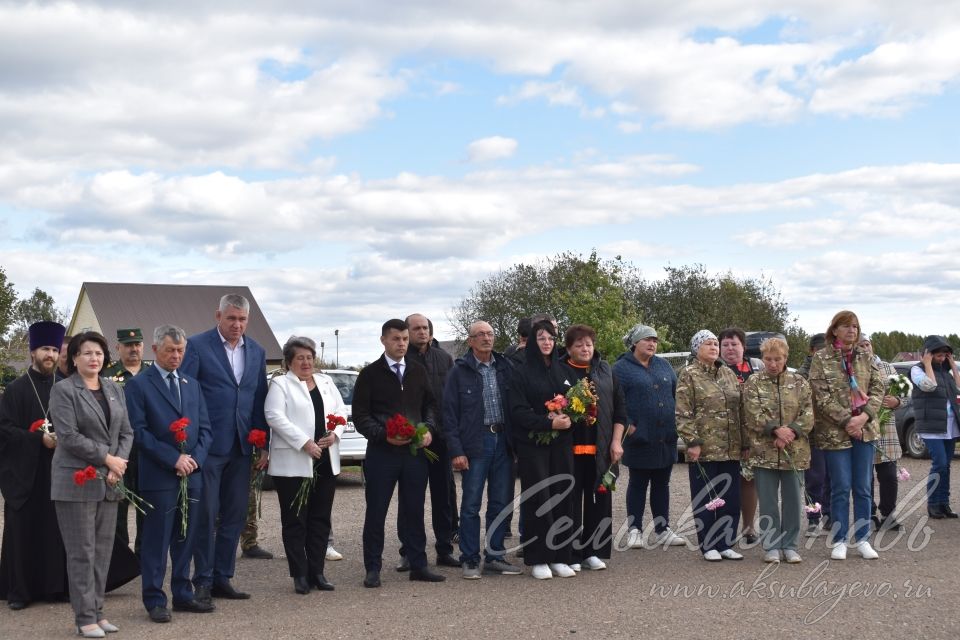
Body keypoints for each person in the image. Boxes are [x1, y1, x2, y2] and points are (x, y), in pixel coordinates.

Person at [181, 293, 269, 602]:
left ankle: (223, 577)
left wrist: (262, 442)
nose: (237, 324)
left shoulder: (257, 351)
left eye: (242, 319)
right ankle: (202, 578)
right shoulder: (196, 345)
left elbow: (259, 399)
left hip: (242, 446)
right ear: (218, 316)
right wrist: (190, 441)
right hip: (208, 446)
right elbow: (186, 395)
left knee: (234, 516)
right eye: (231, 318)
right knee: (206, 515)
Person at [124, 325, 214, 623]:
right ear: (154, 351)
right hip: (159, 476)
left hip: (192, 475)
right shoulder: (139, 385)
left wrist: (194, 460)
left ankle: (183, 594)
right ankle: (154, 599)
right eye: (169, 351)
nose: (176, 356)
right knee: (156, 541)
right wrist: (173, 459)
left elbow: (205, 429)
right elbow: (139, 431)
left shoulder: (191, 383)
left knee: (186, 538)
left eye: (180, 351)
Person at [48, 331, 134, 638]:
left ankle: (98, 612)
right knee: (81, 552)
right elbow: (68, 436)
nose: (93, 358)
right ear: (73, 358)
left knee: (102, 551)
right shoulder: (64, 391)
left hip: (110, 481)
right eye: (86, 353)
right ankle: (84, 617)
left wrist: (118, 463)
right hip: (76, 481)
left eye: (98, 353)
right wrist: (108, 460)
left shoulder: (114, 388)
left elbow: (126, 432)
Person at [353, 319, 446, 588]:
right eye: (396, 339)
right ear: (383, 340)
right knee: (377, 511)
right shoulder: (369, 374)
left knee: (414, 510)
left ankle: (418, 565)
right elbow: (360, 416)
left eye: (405, 339)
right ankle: (373, 568)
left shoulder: (417, 371)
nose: (402, 343)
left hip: (414, 453)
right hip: (382, 454)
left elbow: (430, 405)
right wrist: (383, 434)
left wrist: (428, 428)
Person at [265, 337, 347, 594]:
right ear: (289, 361)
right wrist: (304, 442)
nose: (306, 362)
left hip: (324, 459)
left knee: (320, 519)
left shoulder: (325, 382)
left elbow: (341, 412)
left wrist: (336, 434)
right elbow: (274, 416)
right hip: (293, 462)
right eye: (300, 358)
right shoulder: (280, 384)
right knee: (295, 521)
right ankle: (299, 574)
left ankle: (317, 571)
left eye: (309, 358)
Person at [0, 321, 70, 610]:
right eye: (44, 349)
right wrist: (37, 440)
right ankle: (21, 591)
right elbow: (3, 429)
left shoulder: (65, 388)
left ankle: (55, 588)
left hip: (58, 472)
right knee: (24, 529)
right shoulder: (15, 390)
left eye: (54, 349)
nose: (50, 355)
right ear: (32, 353)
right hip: (26, 475)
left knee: (56, 530)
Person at [443, 321, 521, 579]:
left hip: (503, 442)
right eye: (480, 335)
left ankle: (495, 555)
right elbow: (449, 415)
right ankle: (470, 558)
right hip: (476, 444)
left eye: (490, 334)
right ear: (471, 341)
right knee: (470, 505)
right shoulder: (459, 371)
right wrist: (456, 450)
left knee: (500, 503)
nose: (487, 338)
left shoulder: (505, 367)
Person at [809, 310, 884, 560]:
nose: (852, 330)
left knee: (863, 487)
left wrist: (863, 417)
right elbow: (819, 394)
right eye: (846, 326)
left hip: (865, 430)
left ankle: (862, 538)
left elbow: (878, 387)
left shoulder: (866, 355)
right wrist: (846, 420)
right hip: (835, 433)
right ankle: (840, 539)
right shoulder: (821, 358)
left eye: (855, 326)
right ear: (834, 330)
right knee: (840, 486)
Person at [509, 319, 577, 580]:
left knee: (562, 494)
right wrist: (548, 422)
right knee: (540, 498)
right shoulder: (521, 372)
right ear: (532, 342)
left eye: (550, 338)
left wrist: (570, 418)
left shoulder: (563, 370)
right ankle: (538, 558)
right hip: (533, 445)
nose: (547, 342)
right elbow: (517, 411)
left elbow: (574, 403)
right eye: (541, 338)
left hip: (561, 444)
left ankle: (561, 555)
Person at [561, 324, 628, 571]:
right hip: (569, 448)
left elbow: (621, 409)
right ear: (569, 348)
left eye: (588, 344)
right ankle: (571, 551)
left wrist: (616, 441)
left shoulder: (605, 370)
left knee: (600, 501)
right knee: (570, 502)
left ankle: (593, 551)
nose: (585, 348)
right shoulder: (560, 370)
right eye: (579, 344)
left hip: (601, 447)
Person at [394, 314, 458, 571]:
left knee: (443, 497)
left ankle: (445, 548)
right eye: (416, 328)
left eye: (425, 328)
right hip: (411, 440)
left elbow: (452, 398)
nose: (422, 332)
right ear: (408, 332)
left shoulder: (444, 359)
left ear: (431, 332)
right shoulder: (401, 360)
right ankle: (409, 551)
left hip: (440, 438)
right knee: (411, 498)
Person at [613, 324, 685, 549]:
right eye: (647, 339)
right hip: (638, 438)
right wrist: (629, 426)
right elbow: (616, 402)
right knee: (637, 484)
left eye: (655, 340)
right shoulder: (621, 369)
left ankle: (662, 529)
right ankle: (635, 530)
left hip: (665, 437)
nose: (652, 343)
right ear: (635, 343)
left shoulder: (664, 366)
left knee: (662, 484)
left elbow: (675, 395)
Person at [742, 337, 813, 564]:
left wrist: (790, 432)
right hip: (765, 452)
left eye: (778, 359)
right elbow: (752, 414)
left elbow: (808, 414)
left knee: (793, 500)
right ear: (762, 359)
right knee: (769, 501)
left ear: (785, 358)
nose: (772, 364)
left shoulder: (800, 382)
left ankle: (790, 545)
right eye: (768, 359)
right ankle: (771, 545)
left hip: (794, 451)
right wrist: (775, 431)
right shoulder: (754, 382)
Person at [676, 330, 744, 562]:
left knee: (731, 498)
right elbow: (683, 413)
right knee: (706, 498)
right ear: (697, 348)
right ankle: (708, 544)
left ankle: (726, 543)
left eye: (716, 343)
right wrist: (692, 442)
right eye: (708, 343)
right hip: (704, 449)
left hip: (731, 448)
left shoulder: (727, 373)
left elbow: (739, 407)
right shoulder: (689, 374)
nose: (714, 347)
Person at [104, 327, 152, 555]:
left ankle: (144, 556)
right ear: (118, 348)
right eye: (128, 345)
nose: (133, 349)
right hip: (118, 451)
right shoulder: (107, 375)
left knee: (146, 504)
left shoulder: (153, 373)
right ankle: (121, 559)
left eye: (137, 345)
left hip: (146, 450)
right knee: (118, 506)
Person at [858, 333, 907, 530]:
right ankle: (869, 513)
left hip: (886, 431)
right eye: (860, 345)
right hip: (863, 428)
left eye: (867, 344)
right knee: (864, 476)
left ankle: (888, 514)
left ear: (873, 346)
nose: (865, 348)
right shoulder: (853, 368)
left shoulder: (888, 367)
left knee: (888, 476)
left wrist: (897, 401)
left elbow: (904, 392)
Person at [911, 335, 960, 519]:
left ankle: (944, 503)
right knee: (939, 463)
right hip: (930, 425)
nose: (941, 359)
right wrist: (928, 363)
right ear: (929, 354)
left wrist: (953, 366)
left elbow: (959, 386)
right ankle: (932, 504)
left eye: (944, 356)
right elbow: (929, 386)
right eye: (938, 355)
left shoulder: (945, 373)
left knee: (946, 465)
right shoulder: (917, 370)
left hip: (949, 425)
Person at [719, 328, 758, 544]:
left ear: (743, 346)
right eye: (725, 345)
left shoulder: (755, 368)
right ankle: (725, 528)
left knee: (748, 480)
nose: (730, 348)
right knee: (726, 481)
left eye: (734, 344)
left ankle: (749, 527)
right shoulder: (715, 369)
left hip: (751, 436)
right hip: (724, 435)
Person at [798, 333, 831, 537]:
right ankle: (813, 518)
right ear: (812, 351)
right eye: (820, 350)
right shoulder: (802, 375)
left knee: (833, 476)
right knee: (814, 478)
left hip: (833, 431)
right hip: (812, 433)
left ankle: (830, 515)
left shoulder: (834, 369)